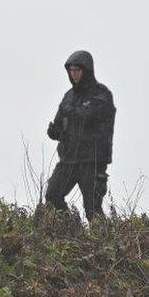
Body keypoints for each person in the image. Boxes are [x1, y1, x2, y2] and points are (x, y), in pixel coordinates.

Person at [45, 50, 116, 220]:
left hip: (92, 161)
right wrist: (55, 132)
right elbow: (61, 123)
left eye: (77, 70)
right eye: (71, 70)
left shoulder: (101, 94)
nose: (74, 74)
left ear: (86, 70)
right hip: (68, 159)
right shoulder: (69, 96)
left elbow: (90, 115)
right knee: (52, 196)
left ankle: (103, 244)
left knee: (92, 209)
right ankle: (72, 229)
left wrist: (73, 112)